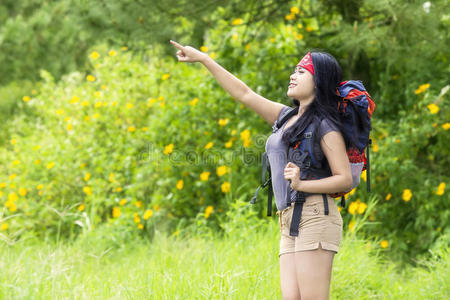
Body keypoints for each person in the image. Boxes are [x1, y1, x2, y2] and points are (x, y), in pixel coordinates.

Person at [170, 39, 352, 300]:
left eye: (302, 71)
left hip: (315, 215)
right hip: (288, 218)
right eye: (294, 69)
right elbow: (244, 93)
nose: (293, 75)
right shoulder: (287, 117)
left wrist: (303, 184)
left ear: (319, 80)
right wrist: (204, 59)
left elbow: (344, 179)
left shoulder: (326, 126)